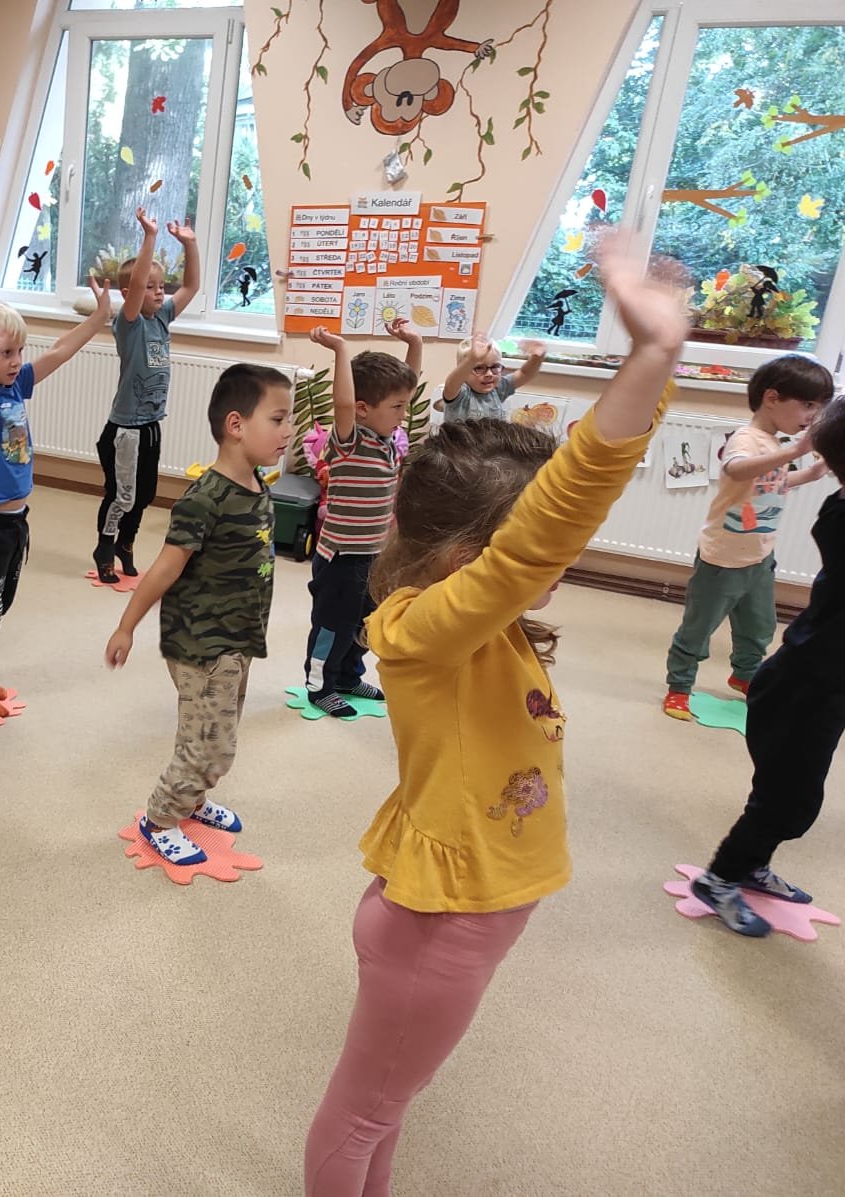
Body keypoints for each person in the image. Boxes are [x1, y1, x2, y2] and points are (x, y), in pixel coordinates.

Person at [303, 241, 688, 1196]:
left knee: (388, 1101)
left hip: (465, 907)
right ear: (470, 561)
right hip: (440, 922)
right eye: (548, 551)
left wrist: (660, 365)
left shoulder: (484, 623)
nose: (566, 559)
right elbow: (542, 534)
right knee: (368, 1108)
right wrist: (648, 356)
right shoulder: (422, 630)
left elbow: (556, 518)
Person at [104, 364, 293, 865]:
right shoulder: (204, 500)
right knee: (209, 743)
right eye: (278, 419)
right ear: (236, 425)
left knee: (218, 729)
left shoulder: (256, 482)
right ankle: (161, 818)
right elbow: (164, 569)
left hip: (238, 638)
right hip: (202, 644)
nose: (288, 431)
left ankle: (194, 799)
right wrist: (126, 627)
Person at [689, 395, 845, 936]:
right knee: (790, 803)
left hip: (817, 683)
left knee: (782, 793)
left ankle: (752, 865)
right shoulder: (841, 520)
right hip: (805, 686)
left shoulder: (838, 507)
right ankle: (720, 879)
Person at [0, 288, 110, 718]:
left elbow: (58, 352)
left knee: (0, 605)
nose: (16, 360)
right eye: (5, 352)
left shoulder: (16, 385)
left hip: (15, 523)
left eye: (18, 351)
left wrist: (99, 318)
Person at [662, 354, 834, 718]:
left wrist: (811, 473)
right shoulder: (746, 438)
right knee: (699, 628)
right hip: (722, 557)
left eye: (819, 408)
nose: (813, 416)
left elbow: (772, 483)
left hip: (760, 556)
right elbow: (737, 470)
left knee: (759, 627)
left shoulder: (773, 443)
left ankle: (744, 675)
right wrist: (795, 451)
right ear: (772, 398)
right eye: (807, 405)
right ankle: (679, 685)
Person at [301, 318, 422, 719]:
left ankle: (348, 676)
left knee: (366, 622)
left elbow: (409, 384)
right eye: (397, 407)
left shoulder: (388, 438)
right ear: (363, 409)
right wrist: (341, 350)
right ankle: (320, 686)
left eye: (404, 406)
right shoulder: (350, 440)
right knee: (334, 624)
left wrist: (415, 343)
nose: (404, 413)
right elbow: (342, 404)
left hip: (374, 554)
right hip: (341, 557)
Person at [93, 206, 200, 583]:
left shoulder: (162, 319)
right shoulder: (130, 323)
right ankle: (105, 546)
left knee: (145, 494)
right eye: (151, 287)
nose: (159, 292)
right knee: (122, 495)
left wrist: (190, 245)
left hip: (151, 424)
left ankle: (126, 543)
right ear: (130, 295)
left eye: (161, 286)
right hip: (125, 431)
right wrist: (150, 237)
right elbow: (136, 285)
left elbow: (191, 286)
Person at [433, 332, 546, 423]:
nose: (489, 374)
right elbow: (451, 384)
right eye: (479, 368)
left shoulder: (499, 388)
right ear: (465, 370)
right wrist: (471, 360)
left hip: (491, 443)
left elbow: (525, 373)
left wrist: (537, 358)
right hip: (458, 445)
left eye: (495, 367)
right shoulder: (461, 393)